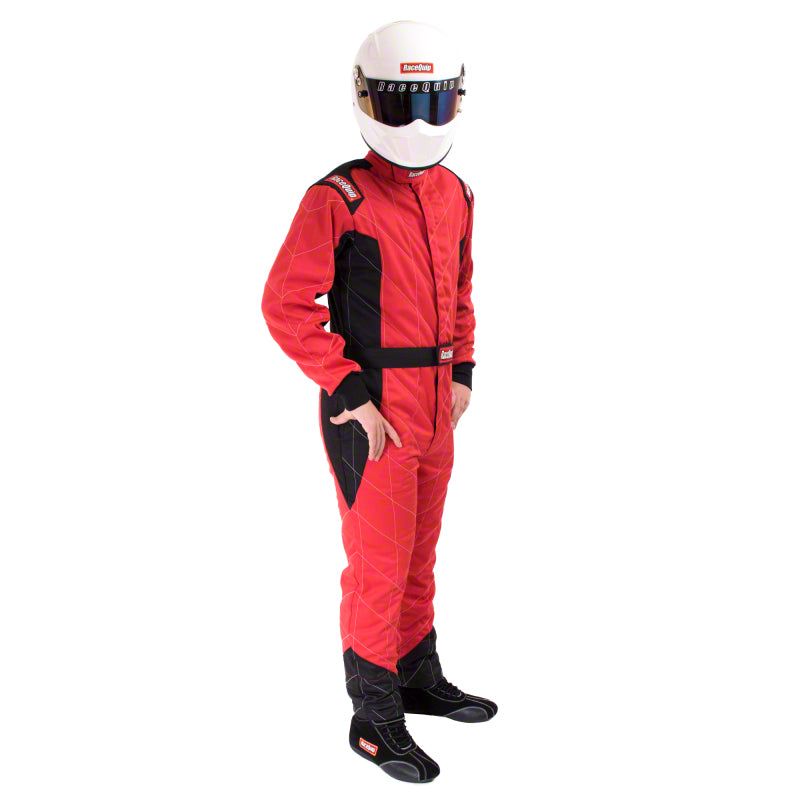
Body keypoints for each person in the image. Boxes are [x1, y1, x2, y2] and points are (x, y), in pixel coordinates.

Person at [262, 20, 496, 783]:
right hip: (372, 414)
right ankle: (373, 717)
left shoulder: (457, 192)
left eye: (432, 102)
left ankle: (416, 676)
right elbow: (285, 304)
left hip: (436, 405)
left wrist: (462, 371)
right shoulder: (340, 198)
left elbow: (460, 291)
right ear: (368, 100)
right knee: (379, 565)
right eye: (401, 103)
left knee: (420, 555)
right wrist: (350, 390)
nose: (418, 122)